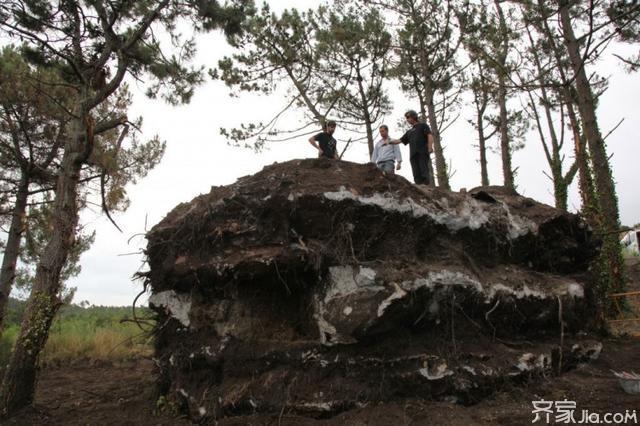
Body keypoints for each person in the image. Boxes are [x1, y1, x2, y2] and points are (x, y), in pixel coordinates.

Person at [388, 110, 434, 185]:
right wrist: (389, 142)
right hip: (413, 155)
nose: (407, 119)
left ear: (414, 116)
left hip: (422, 152)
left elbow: (429, 135)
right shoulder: (409, 132)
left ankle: (426, 186)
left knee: (424, 170)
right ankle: (419, 187)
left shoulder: (423, 126)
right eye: (406, 118)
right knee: (416, 173)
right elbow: (400, 140)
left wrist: (430, 147)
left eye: (408, 117)